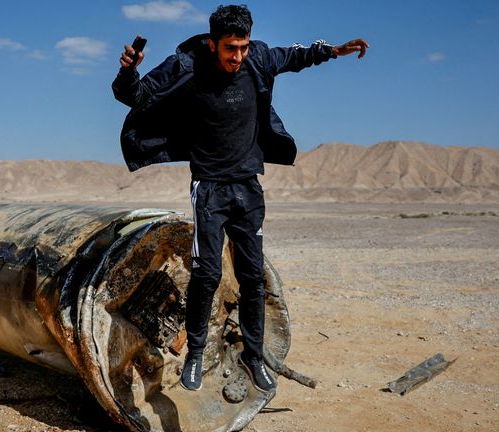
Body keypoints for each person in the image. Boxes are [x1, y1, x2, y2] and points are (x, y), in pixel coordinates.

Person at [112, 4, 369, 392]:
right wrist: (128, 71)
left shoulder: (258, 57)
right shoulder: (187, 64)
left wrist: (333, 50)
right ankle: (195, 354)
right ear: (214, 43)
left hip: (248, 186)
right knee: (207, 272)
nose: (238, 57)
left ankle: (253, 354)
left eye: (243, 48)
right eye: (231, 48)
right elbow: (137, 95)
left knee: (252, 276)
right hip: (209, 188)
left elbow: (295, 56)